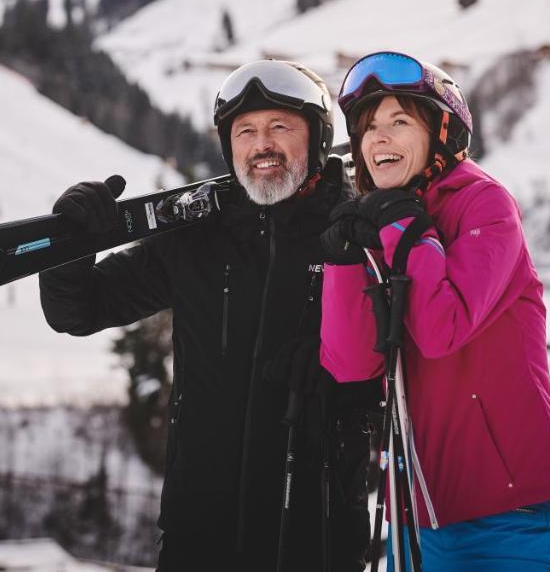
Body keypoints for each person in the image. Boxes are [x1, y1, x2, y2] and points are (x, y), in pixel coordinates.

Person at [39, 60, 380, 572]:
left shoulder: (357, 235)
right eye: (245, 131)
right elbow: (80, 309)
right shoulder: (196, 237)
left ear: (317, 137)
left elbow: (407, 363)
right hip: (197, 532)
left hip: (318, 530)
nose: (261, 144)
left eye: (280, 127)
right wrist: (71, 246)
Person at [319, 51, 550, 571]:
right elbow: (351, 365)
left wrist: (406, 230)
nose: (379, 139)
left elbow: (442, 329)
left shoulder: (484, 205)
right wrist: (344, 260)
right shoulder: (387, 222)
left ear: (440, 133)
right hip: (416, 513)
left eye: (398, 121)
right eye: (368, 127)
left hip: (507, 511)